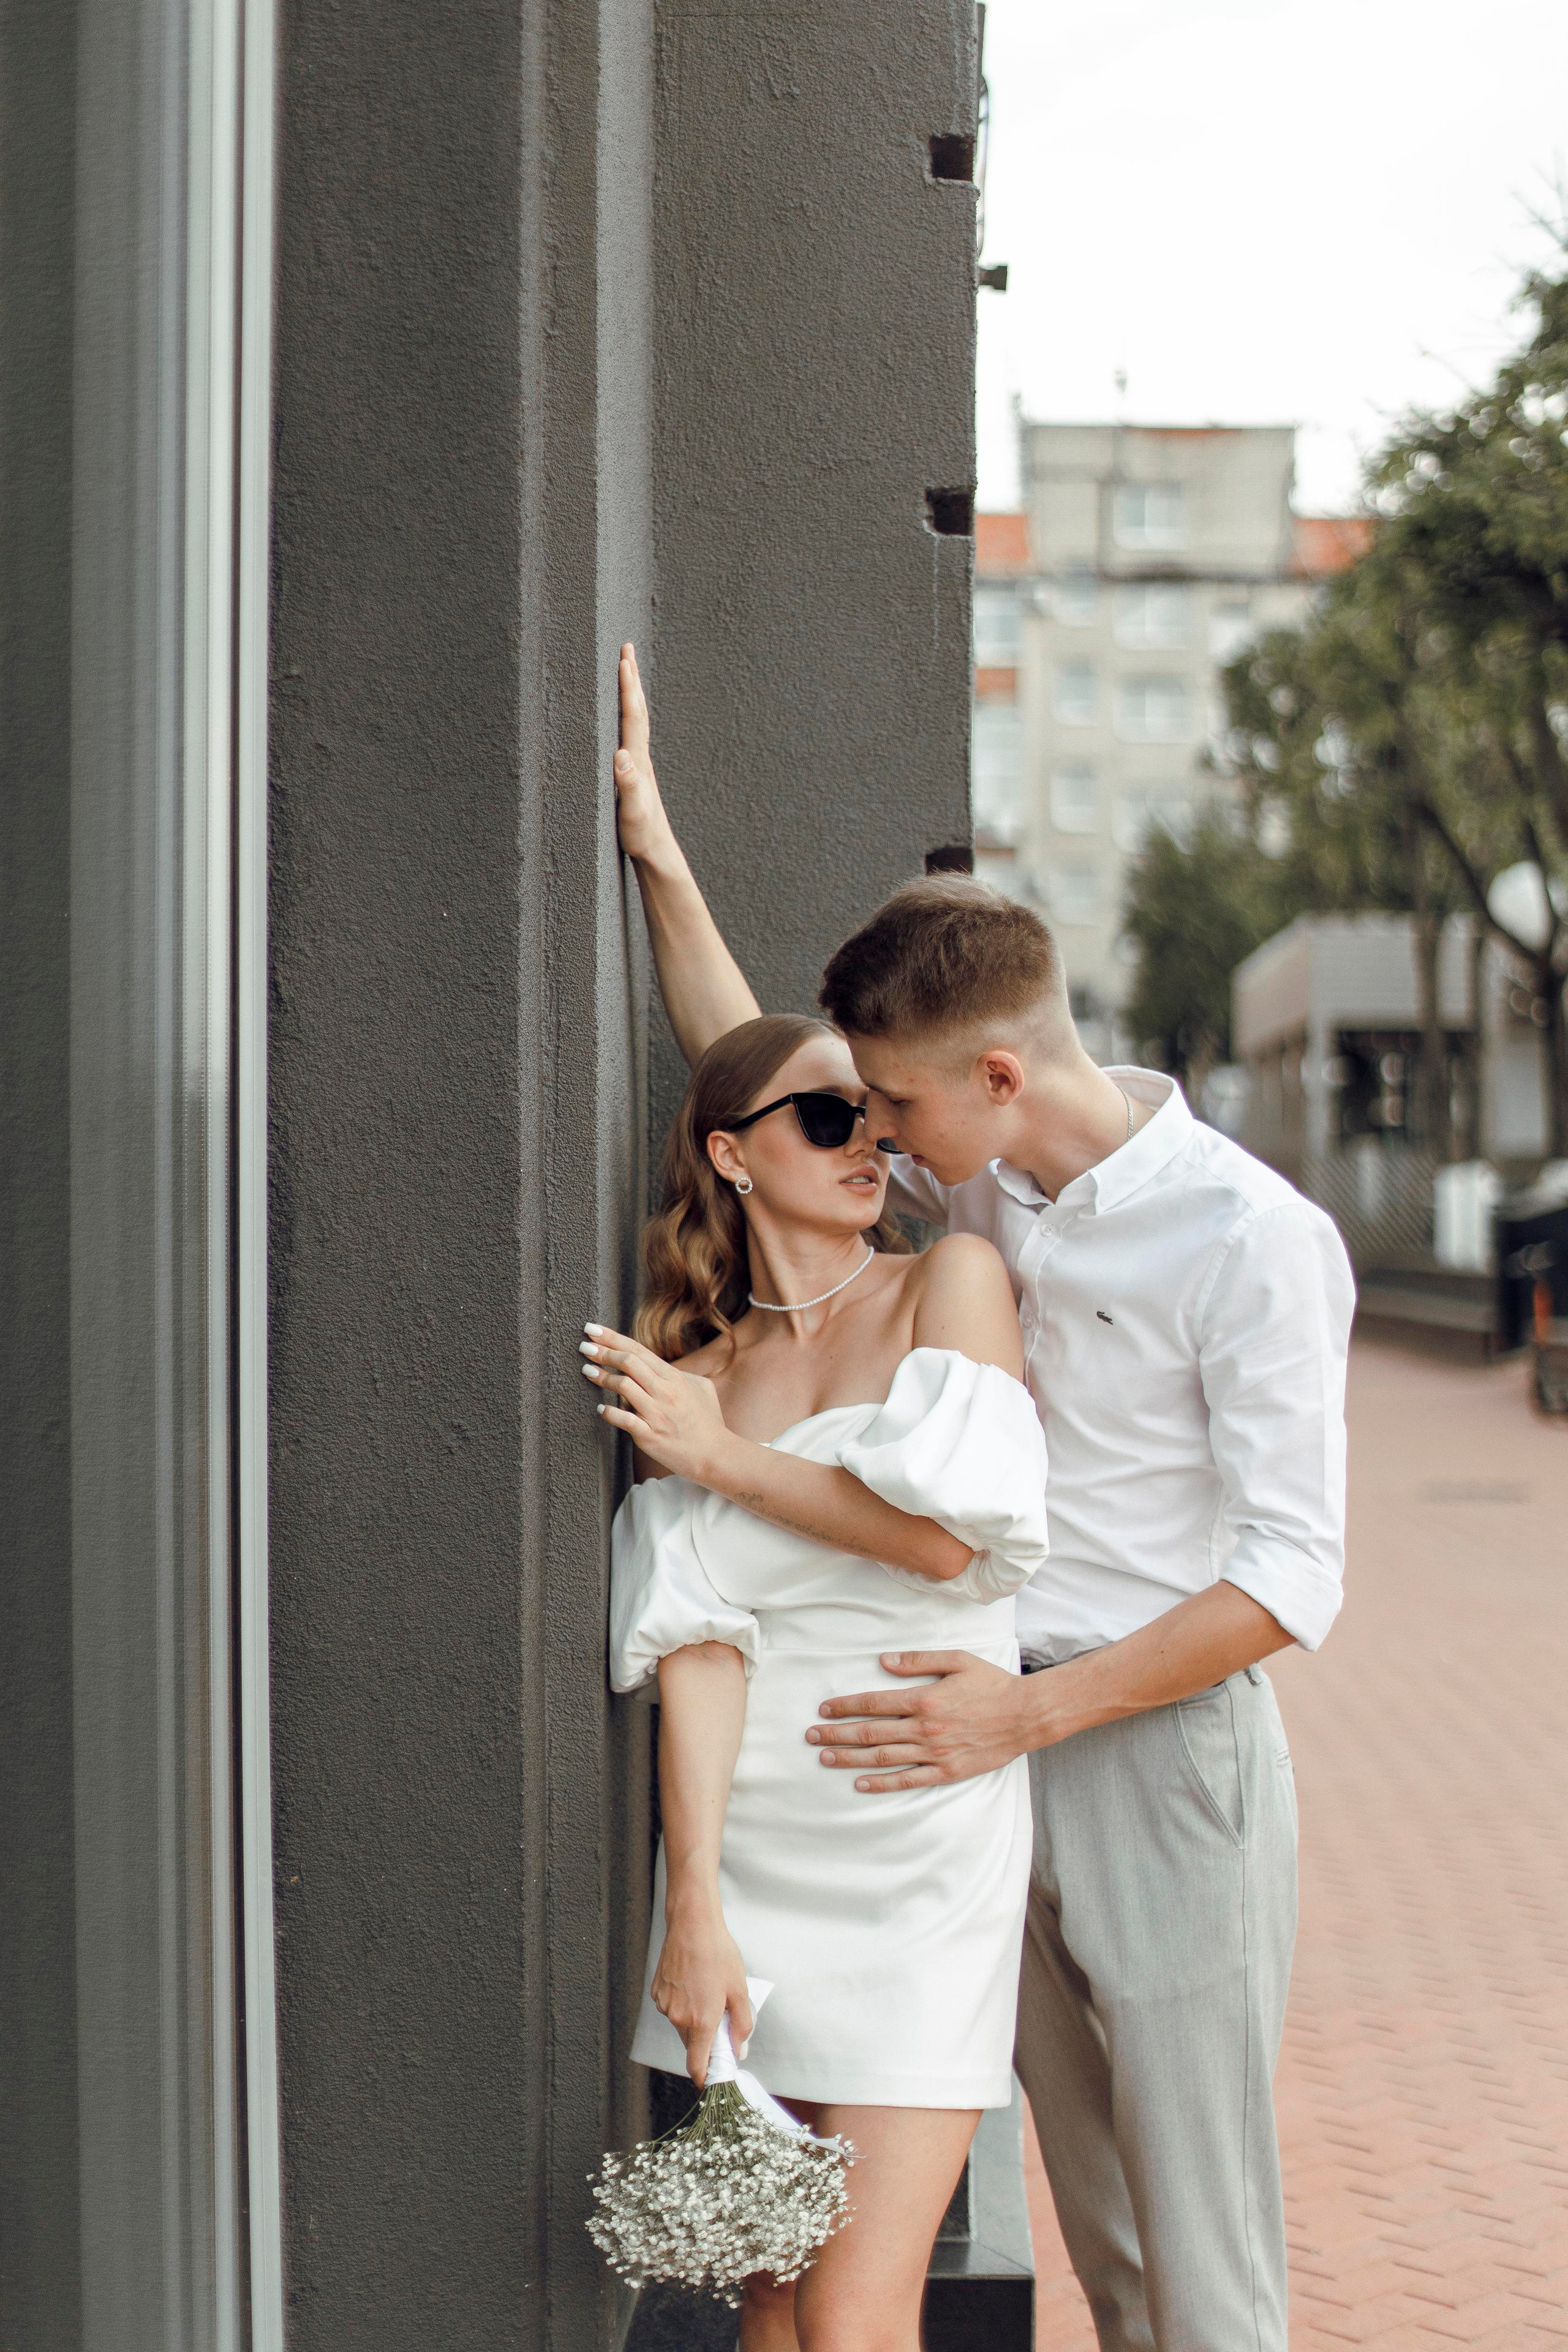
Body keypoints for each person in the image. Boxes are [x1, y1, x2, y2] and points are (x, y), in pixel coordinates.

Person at [608, 643, 1356, 2352]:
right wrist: (656, 847)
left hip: (1156, 1751)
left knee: (1202, 2241)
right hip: (971, 1762)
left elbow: (1290, 1581)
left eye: (896, 1105)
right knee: (1101, 2232)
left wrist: (1022, 1723)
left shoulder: (1254, 1243)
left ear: (999, 1080)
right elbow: (755, 1075)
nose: (872, 1133)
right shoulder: (984, 1207)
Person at [589, 1010, 1050, 2352]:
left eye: (876, 1116)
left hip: (919, 1842)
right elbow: (700, 1650)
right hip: (759, 1873)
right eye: (828, 1116)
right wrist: (694, 1909)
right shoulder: (698, 1374)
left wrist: (718, 1459)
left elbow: (945, 1543)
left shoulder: (945, 1284)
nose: (871, 1143)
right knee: (770, 2300)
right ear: (731, 1155)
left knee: (853, 2311)